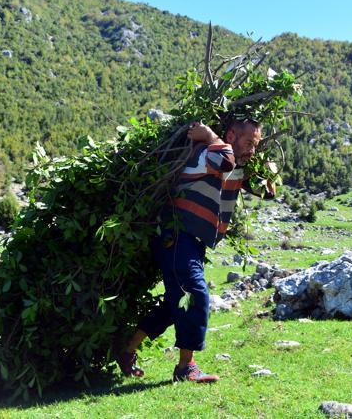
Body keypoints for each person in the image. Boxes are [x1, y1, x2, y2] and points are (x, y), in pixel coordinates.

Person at [116, 118, 275, 383]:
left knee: (176, 301)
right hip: (176, 235)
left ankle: (126, 348)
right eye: (248, 143)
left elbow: (267, 191)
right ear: (231, 134)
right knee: (196, 293)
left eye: (256, 146)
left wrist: (267, 168)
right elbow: (224, 161)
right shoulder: (206, 153)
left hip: (192, 241)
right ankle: (185, 368)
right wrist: (211, 136)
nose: (251, 150)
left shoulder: (238, 166)